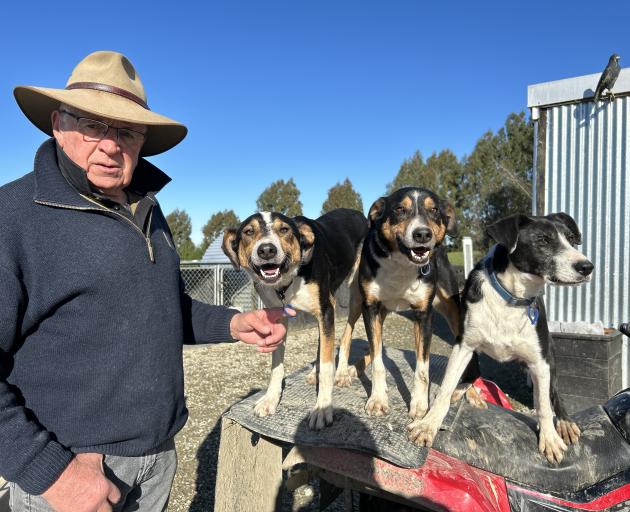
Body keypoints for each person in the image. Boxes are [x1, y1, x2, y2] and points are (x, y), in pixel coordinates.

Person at [0, 50, 294, 512]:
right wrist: (49, 472)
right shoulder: (11, 217)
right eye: (92, 125)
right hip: (72, 470)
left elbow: (161, 307)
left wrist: (234, 324)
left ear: (143, 140)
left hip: (158, 457)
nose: (111, 145)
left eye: (126, 130)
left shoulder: (149, 211)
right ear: (57, 123)